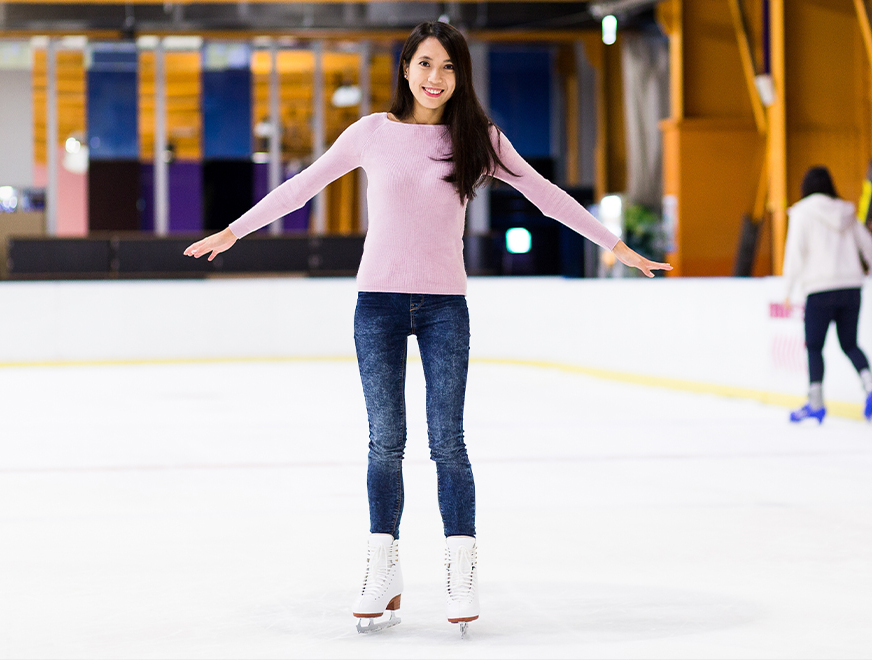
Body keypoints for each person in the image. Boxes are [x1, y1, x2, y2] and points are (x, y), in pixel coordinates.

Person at [183, 21, 671, 635]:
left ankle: (460, 569)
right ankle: (382, 568)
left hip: (445, 307)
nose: (435, 78)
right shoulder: (371, 135)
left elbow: (547, 196)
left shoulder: (478, 139)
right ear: (405, 69)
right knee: (385, 441)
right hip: (377, 304)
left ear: (459, 75)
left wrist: (616, 244)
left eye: (447, 67)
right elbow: (301, 188)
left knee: (449, 442)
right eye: (424, 65)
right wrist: (234, 232)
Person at [783, 166, 872, 425]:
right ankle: (870, 386)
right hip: (851, 287)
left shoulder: (802, 213)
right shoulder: (847, 212)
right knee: (849, 343)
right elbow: (868, 246)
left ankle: (815, 403)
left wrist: (787, 289)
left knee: (814, 347)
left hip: (819, 289)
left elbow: (795, 254)